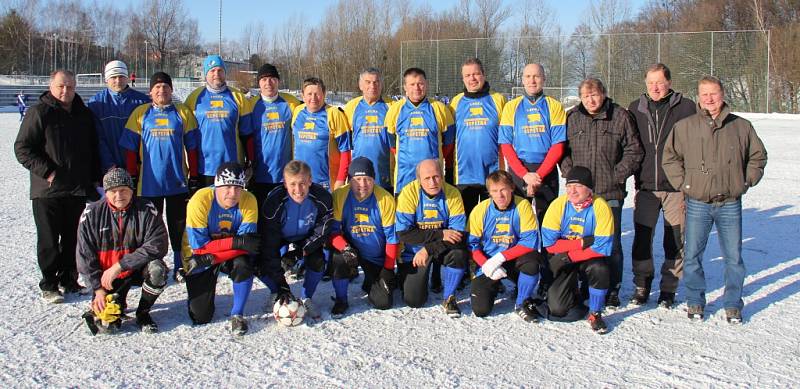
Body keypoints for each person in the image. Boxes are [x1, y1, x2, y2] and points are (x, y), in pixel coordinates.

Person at [662, 76, 767, 324]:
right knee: (692, 256)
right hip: (698, 202)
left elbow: (758, 156)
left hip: (729, 202)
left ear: (722, 94)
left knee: (733, 257)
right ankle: (695, 301)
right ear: (698, 96)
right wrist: (684, 184)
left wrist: (745, 181)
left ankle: (732, 304)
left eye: (714, 93)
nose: (709, 99)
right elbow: (670, 158)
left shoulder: (741, 126)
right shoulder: (685, 126)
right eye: (704, 94)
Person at [14, 69, 101, 303]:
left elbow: (92, 150)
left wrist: (94, 178)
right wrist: (48, 172)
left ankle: (69, 279)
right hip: (48, 190)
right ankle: (49, 284)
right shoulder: (39, 112)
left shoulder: (83, 114)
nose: (66, 91)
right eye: (61, 86)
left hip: (76, 188)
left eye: (70, 87)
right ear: (51, 86)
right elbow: (22, 148)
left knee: (73, 238)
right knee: (49, 239)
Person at [561, 77, 643, 307]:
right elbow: (562, 151)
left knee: (611, 244)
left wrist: (617, 175)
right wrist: (572, 177)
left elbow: (634, 151)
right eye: (586, 96)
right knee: (581, 240)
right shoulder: (573, 118)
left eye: (594, 95)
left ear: (604, 94)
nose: (591, 100)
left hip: (609, 194)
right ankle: (586, 283)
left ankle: (612, 287)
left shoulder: (620, 116)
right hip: (580, 197)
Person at [627, 63, 696, 308]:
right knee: (642, 238)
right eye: (650, 83)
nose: (655, 87)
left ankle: (668, 289)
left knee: (674, 239)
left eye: (659, 82)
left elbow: (695, 146)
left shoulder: (686, 107)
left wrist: (688, 180)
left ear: (669, 82)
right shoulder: (636, 108)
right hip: (646, 186)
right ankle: (642, 284)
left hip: (675, 187)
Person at [120, 72, 200, 280]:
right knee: (149, 226)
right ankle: (148, 265)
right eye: (157, 87)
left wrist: (194, 176)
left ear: (171, 90)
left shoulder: (182, 112)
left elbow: (192, 148)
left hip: (177, 181)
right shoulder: (141, 113)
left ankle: (180, 263)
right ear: (150, 92)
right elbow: (129, 148)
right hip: (149, 184)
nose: (161, 91)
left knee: (178, 225)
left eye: (165, 87)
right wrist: (132, 176)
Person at [76, 168, 168, 334]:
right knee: (107, 326)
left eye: (124, 190)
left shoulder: (147, 209)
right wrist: (97, 289)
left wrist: (120, 265)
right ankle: (115, 305)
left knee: (158, 270)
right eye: (113, 191)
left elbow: (158, 244)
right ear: (106, 192)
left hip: (134, 269)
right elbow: (85, 256)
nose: (119, 195)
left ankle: (143, 313)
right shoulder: (91, 214)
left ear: (132, 190)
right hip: (106, 277)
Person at [182, 162, 261, 335]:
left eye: (238, 188)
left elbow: (248, 244)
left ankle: (237, 313)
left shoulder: (249, 200)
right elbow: (200, 248)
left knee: (244, 264)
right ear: (217, 185)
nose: (232, 193)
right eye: (227, 187)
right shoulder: (200, 200)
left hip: (214, 256)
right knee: (200, 316)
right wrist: (236, 243)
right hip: (198, 256)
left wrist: (216, 256)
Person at [258, 160, 333, 322]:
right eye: (292, 184)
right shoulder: (274, 202)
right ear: (284, 183)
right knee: (259, 260)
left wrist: (300, 253)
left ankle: (306, 298)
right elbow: (269, 244)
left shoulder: (322, 198)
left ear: (310, 181)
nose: (298, 190)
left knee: (318, 260)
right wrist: (281, 284)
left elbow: (322, 231)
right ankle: (276, 291)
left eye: (302, 183)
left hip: (306, 236)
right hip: (280, 236)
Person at [541, 166, 613, 333]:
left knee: (600, 268)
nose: (572, 191)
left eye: (578, 186)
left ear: (589, 189)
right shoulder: (558, 205)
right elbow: (550, 244)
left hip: (585, 257)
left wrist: (572, 256)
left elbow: (602, 247)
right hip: (565, 256)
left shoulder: (600, 206)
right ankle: (574, 293)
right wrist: (581, 243)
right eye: (569, 186)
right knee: (558, 309)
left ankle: (595, 313)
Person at [396, 159, 468, 317]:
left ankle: (449, 297)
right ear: (419, 179)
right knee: (414, 301)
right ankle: (418, 274)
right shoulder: (408, 193)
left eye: (436, 176)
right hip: (415, 253)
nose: (433, 182)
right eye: (427, 178)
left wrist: (428, 249)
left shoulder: (452, 193)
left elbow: (457, 234)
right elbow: (404, 233)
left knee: (459, 254)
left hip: (440, 248)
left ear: (442, 176)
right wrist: (441, 233)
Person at [468, 170, 543, 322]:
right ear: (489, 192)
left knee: (533, 261)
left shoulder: (522, 205)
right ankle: (494, 285)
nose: (500, 195)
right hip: (489, 262)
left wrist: (500, 258)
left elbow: (529, 242)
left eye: (503, 189)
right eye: (494, 191)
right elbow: (472, 245)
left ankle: (522, 302)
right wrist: (487, 264)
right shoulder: (480, 210)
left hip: (514, 258)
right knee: (480, 310)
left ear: (512, 188)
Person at [329, 157, 398, 316]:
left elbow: (392, 239)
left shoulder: (385, 199)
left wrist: (388, 268)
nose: (362, 184)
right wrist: (345, 248)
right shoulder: (340, 195)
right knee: (339, 259)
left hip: (375, 256)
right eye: (357, 179)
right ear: (350, 180)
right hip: (352, 249)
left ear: (374, 179)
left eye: (367, 179)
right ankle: (341, 300)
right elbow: (333, 232)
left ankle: (373, 280)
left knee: (383, 302)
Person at [499, 63, 566, 222]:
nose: (532, 80)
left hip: (546, 170)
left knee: (548, 222)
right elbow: (506, 145)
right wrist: (524, 175)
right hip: (519, 170)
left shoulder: (554, 106)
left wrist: (539, 175)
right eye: (528, 76)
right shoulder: (511, 107)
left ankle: (546, 249)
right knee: (519, 221)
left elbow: (558, 145)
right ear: (522, 80)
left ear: (544, 79)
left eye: (536, 76)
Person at [185, 54, 254, 188]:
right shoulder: (193, 98)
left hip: (232, 166)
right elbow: (188, 137)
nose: (216, 74)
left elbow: (247, 134)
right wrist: (192, 172)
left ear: (225, 73)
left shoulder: (238, 97)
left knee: (230, 207)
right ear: (206, 74)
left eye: (220, 70)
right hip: (204, 168)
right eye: (212, 71)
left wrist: (250, 161)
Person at [449, 57, 507, 215]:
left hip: (493, 175)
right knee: (467, 223)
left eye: (476, 74)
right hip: (464, 175)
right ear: (463, 78)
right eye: (467, 75)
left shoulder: (498, 100)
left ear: (484, 74)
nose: (472, 78)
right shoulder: (455, 102)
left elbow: (507, 137)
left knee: (493, 221)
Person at [385, 68, 455, 196]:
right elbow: (391, 143)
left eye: (420, 83)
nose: (417, 88)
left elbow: (449, 143)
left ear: (426, 84)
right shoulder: (395, 109)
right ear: (405, 87)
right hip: (404, 177)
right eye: (412, 84)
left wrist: (434, 161)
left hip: (432, 179)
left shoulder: (439, 108)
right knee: (405, 215)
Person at [244, 63, 301, 206]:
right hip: (260, 174)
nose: (268, 83)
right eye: (264, 79)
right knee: (262, 218)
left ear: (278, 81)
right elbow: (246, 136)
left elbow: (313, 109)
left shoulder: (291, 102)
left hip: (286, 174)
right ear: (259, 83)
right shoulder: (250, 105)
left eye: (272, 79)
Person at [88, 60, 151, 172]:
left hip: (138, 166)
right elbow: (97, 139)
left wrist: (139, 162)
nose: (118, 81)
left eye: (121, 76)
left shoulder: (142, 101)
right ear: (106, 79)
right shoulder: (96, 103)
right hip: (109, 169)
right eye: (113, 77)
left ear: (127, 77)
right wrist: (109, 165)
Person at [291, 77, 351, 191]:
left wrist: (340, 180)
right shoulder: (297, 112)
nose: (313, 98)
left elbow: (346, 151)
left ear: (324, 94)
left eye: (317, 94)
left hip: (326, 184)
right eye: (309, 94)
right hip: (300, 183)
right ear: (302, 95)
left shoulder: (334, 114)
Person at [343, 68, 395, 192]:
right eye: (368, 82)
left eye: (376, 82)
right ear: (360, 85)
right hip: (358, 175)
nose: (372, 86)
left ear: (381, 84)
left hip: (385, 174)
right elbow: (344, 145)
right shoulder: (351, 107)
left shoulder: (392, 106)